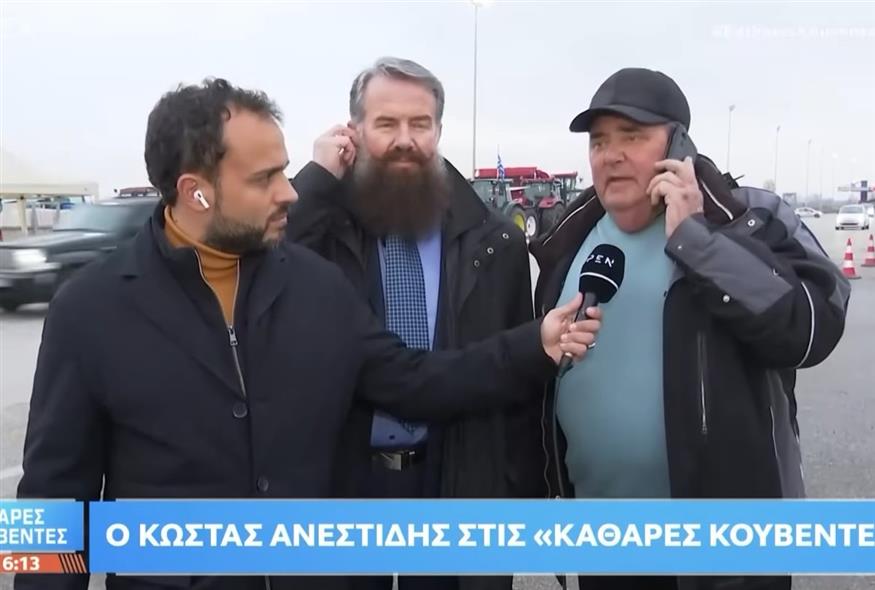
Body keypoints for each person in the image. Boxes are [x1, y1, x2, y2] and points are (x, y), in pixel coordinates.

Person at [15, 78, 601, 590]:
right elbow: (53, 502)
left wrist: (534, 345)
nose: (291, 191)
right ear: (196, 191)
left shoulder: (317, 288)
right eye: (265, 178)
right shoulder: (91, 311)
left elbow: (415, 380)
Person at [529, 68, 850, 590]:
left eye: (631, 136)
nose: (610, 155)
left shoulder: (748, 217)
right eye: (599, 141)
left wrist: (700, 244)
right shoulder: (567, 237)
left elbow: (811, 328)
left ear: (679, 146)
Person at [286, 57, 544, 590]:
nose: (405, 140)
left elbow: (518, 382)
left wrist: (518, 496)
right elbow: (262, 265)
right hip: (346, 485)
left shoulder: (495, 243)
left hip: (453, 481)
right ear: (353, 131)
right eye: (386, 124)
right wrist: (315, 181)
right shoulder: (324, 232)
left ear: (439, 131)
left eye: (419, 124)